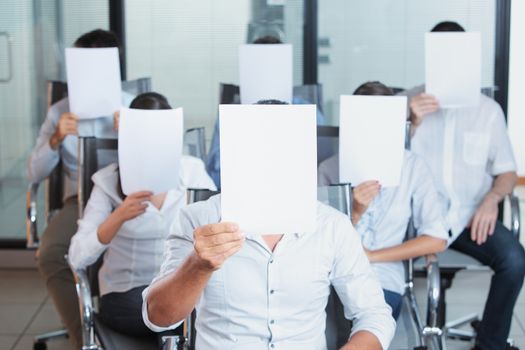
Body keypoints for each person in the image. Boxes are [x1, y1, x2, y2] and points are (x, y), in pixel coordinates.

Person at [142, 100, 396, 350]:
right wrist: (197, 265)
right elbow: (159, 319)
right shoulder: (196, 219)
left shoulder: (332, 226)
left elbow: (375, 314)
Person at [405, 21, 525, 350]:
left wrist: (492, 199)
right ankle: (410, 334)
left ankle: (490, 343)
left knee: (514, 260)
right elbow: (386, 165)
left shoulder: (488, 111)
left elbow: (507, 172)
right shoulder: (409, 102)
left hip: (470, 217)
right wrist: (409, 124)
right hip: (418, 218)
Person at [68, 92, 216, 338]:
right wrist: (118, 217)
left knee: (204, 314)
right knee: (173, 318)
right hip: (127, 294)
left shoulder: (192, 171)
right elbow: (77, 258)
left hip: (183, 287)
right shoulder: (106, 182)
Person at [28, 29, 134, 348]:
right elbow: (35, 171)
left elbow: (158, 164)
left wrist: (131, 133)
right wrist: (56, 139)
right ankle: (84, 336)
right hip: (81, 200)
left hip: (123, 198)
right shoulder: (60, 111)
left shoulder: (132, 107)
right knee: (50, 255)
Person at [318, 81, 448, 319]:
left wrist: (373, 256)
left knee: (369, 321)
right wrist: (354, 212)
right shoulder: (328, 169)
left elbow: (436, 239)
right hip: (328, 273)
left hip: (382, 275)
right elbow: (315, 240)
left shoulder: (413, 167)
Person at [205, 35, 328, 188]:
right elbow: (215, 175)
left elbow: (322, 168)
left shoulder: (309, 113)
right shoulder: (230, 115)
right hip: (244, 188)